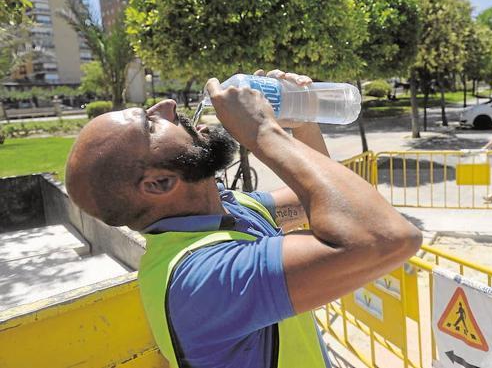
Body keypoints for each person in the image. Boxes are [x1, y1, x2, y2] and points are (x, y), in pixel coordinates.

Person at [64, 69, 422, 368]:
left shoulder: (232, 207)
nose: (168, 105)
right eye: (151, 123)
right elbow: (385, 237)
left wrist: (301, 122)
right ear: (159, 183)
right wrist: (264, 132)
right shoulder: (198, 277)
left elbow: (322, 199)